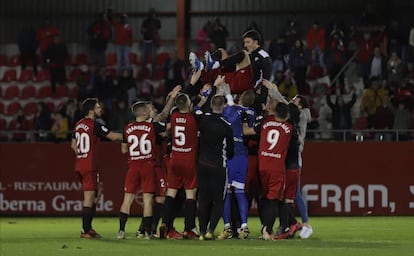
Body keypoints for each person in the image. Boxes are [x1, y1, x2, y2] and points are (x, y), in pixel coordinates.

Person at [71, 98, 123, 238]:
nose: (100, 109)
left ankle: (89, 228)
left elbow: (73, 146)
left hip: (80, 163)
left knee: (95, 195)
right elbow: (113, 137)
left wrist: (82, 154)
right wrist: (131, 134)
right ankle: (85, 229)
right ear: (91, 110)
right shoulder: (94, 125)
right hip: (89, 165)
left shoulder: (78, 124)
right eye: (98, 107)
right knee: (89, 197)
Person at [242, 100, 292, 240]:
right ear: (287, 115)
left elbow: (247, 131)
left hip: (262, 165)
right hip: (276, 167)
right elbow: (298, 141)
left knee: (264, 197)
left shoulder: (265, 123)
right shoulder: (289, 128)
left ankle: (265, 227)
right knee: (273, 199)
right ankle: (267, 230)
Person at [117, 101, 167, 240]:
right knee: (147, 199)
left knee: (127, 199)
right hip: (147, 166)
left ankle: (121, 231)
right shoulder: (152, 126)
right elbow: (169, 127)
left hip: (133, 166)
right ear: (144, 113)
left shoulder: (127, 128)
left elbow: (123, 149)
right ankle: (148, 233)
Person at [159, 93, 199, 240]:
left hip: (174, 159)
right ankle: (189, 229)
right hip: (188, 160)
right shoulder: (194, 119)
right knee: (190, 194)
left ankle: (165, 224)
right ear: (189, 105)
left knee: (171, 193)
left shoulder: (174, 117)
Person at [217, 89, 256, 240]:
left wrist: (226, 93)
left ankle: (227, 227)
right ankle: (244, 227)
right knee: (239, 193)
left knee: (226, 193)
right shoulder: (251, 112)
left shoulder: (231, 110)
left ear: (240, 98)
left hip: (230, 156)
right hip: (243, 157)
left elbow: (224, 109)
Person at [197, 95, 234, 240]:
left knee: (204, 199)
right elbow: (230, 150)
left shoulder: (203, 120)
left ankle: (201, 231)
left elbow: (195, 110)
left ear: (211, 105)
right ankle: (210, 230)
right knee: (219, 200)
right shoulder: (226, 125)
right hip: (218, 166)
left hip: (202, 165)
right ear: (223, 106)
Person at [140, 8, 161, 78]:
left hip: (153, 42)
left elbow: (159, 26)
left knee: (154, 59)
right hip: (146, 42)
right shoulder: (145, 21)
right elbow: (142, 31)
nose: (153, 15)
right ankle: (143, 73)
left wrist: (153, 23)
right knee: (143, 59)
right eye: (152, 14)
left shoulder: (156, 21)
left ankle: (153, 74)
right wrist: (146, 29)